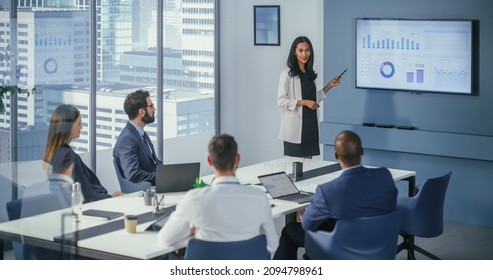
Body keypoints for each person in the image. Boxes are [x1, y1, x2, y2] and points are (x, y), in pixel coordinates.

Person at [273, 130, 398, 259]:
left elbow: (308, 225)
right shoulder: (384, 176)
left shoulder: (328, 190)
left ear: (336, 156)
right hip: (378, 241)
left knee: (289, 231)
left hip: (342, 247)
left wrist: (305, 214)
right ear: (362, 151)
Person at [158, 134, 279, 257]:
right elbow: (273, 244)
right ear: (237, 159)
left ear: (209, 160)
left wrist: (190, 233)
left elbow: (165, 239)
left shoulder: (194, 198)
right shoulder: (259, 197)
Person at [43, 104, 124, 203]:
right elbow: (87, 197)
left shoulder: (55, 153)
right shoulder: (68, 157)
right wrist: (110, 197)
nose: (81, 127)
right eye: (79, 124)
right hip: (92, 207)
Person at [277, 36, 342, 159]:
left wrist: (329, 85)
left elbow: (312, 99)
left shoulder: (310, 74)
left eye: (307, 50)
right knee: (296, 170)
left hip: (310, 125)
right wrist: (304, 102)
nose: (304, 54)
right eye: (300, 50)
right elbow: (281, 100)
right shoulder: (287, 74)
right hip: (295, 129)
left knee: (307, 168)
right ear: (294, 52)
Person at [113, 89, 162, 185]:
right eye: (151, 106)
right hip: (145, 188)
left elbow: (154, 162)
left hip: (156, 183)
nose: (154, 109)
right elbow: (133, 174)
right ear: (141, 112)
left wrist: (168, 173)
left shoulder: (141, 133)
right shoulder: (127, 139)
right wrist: (160, 177)